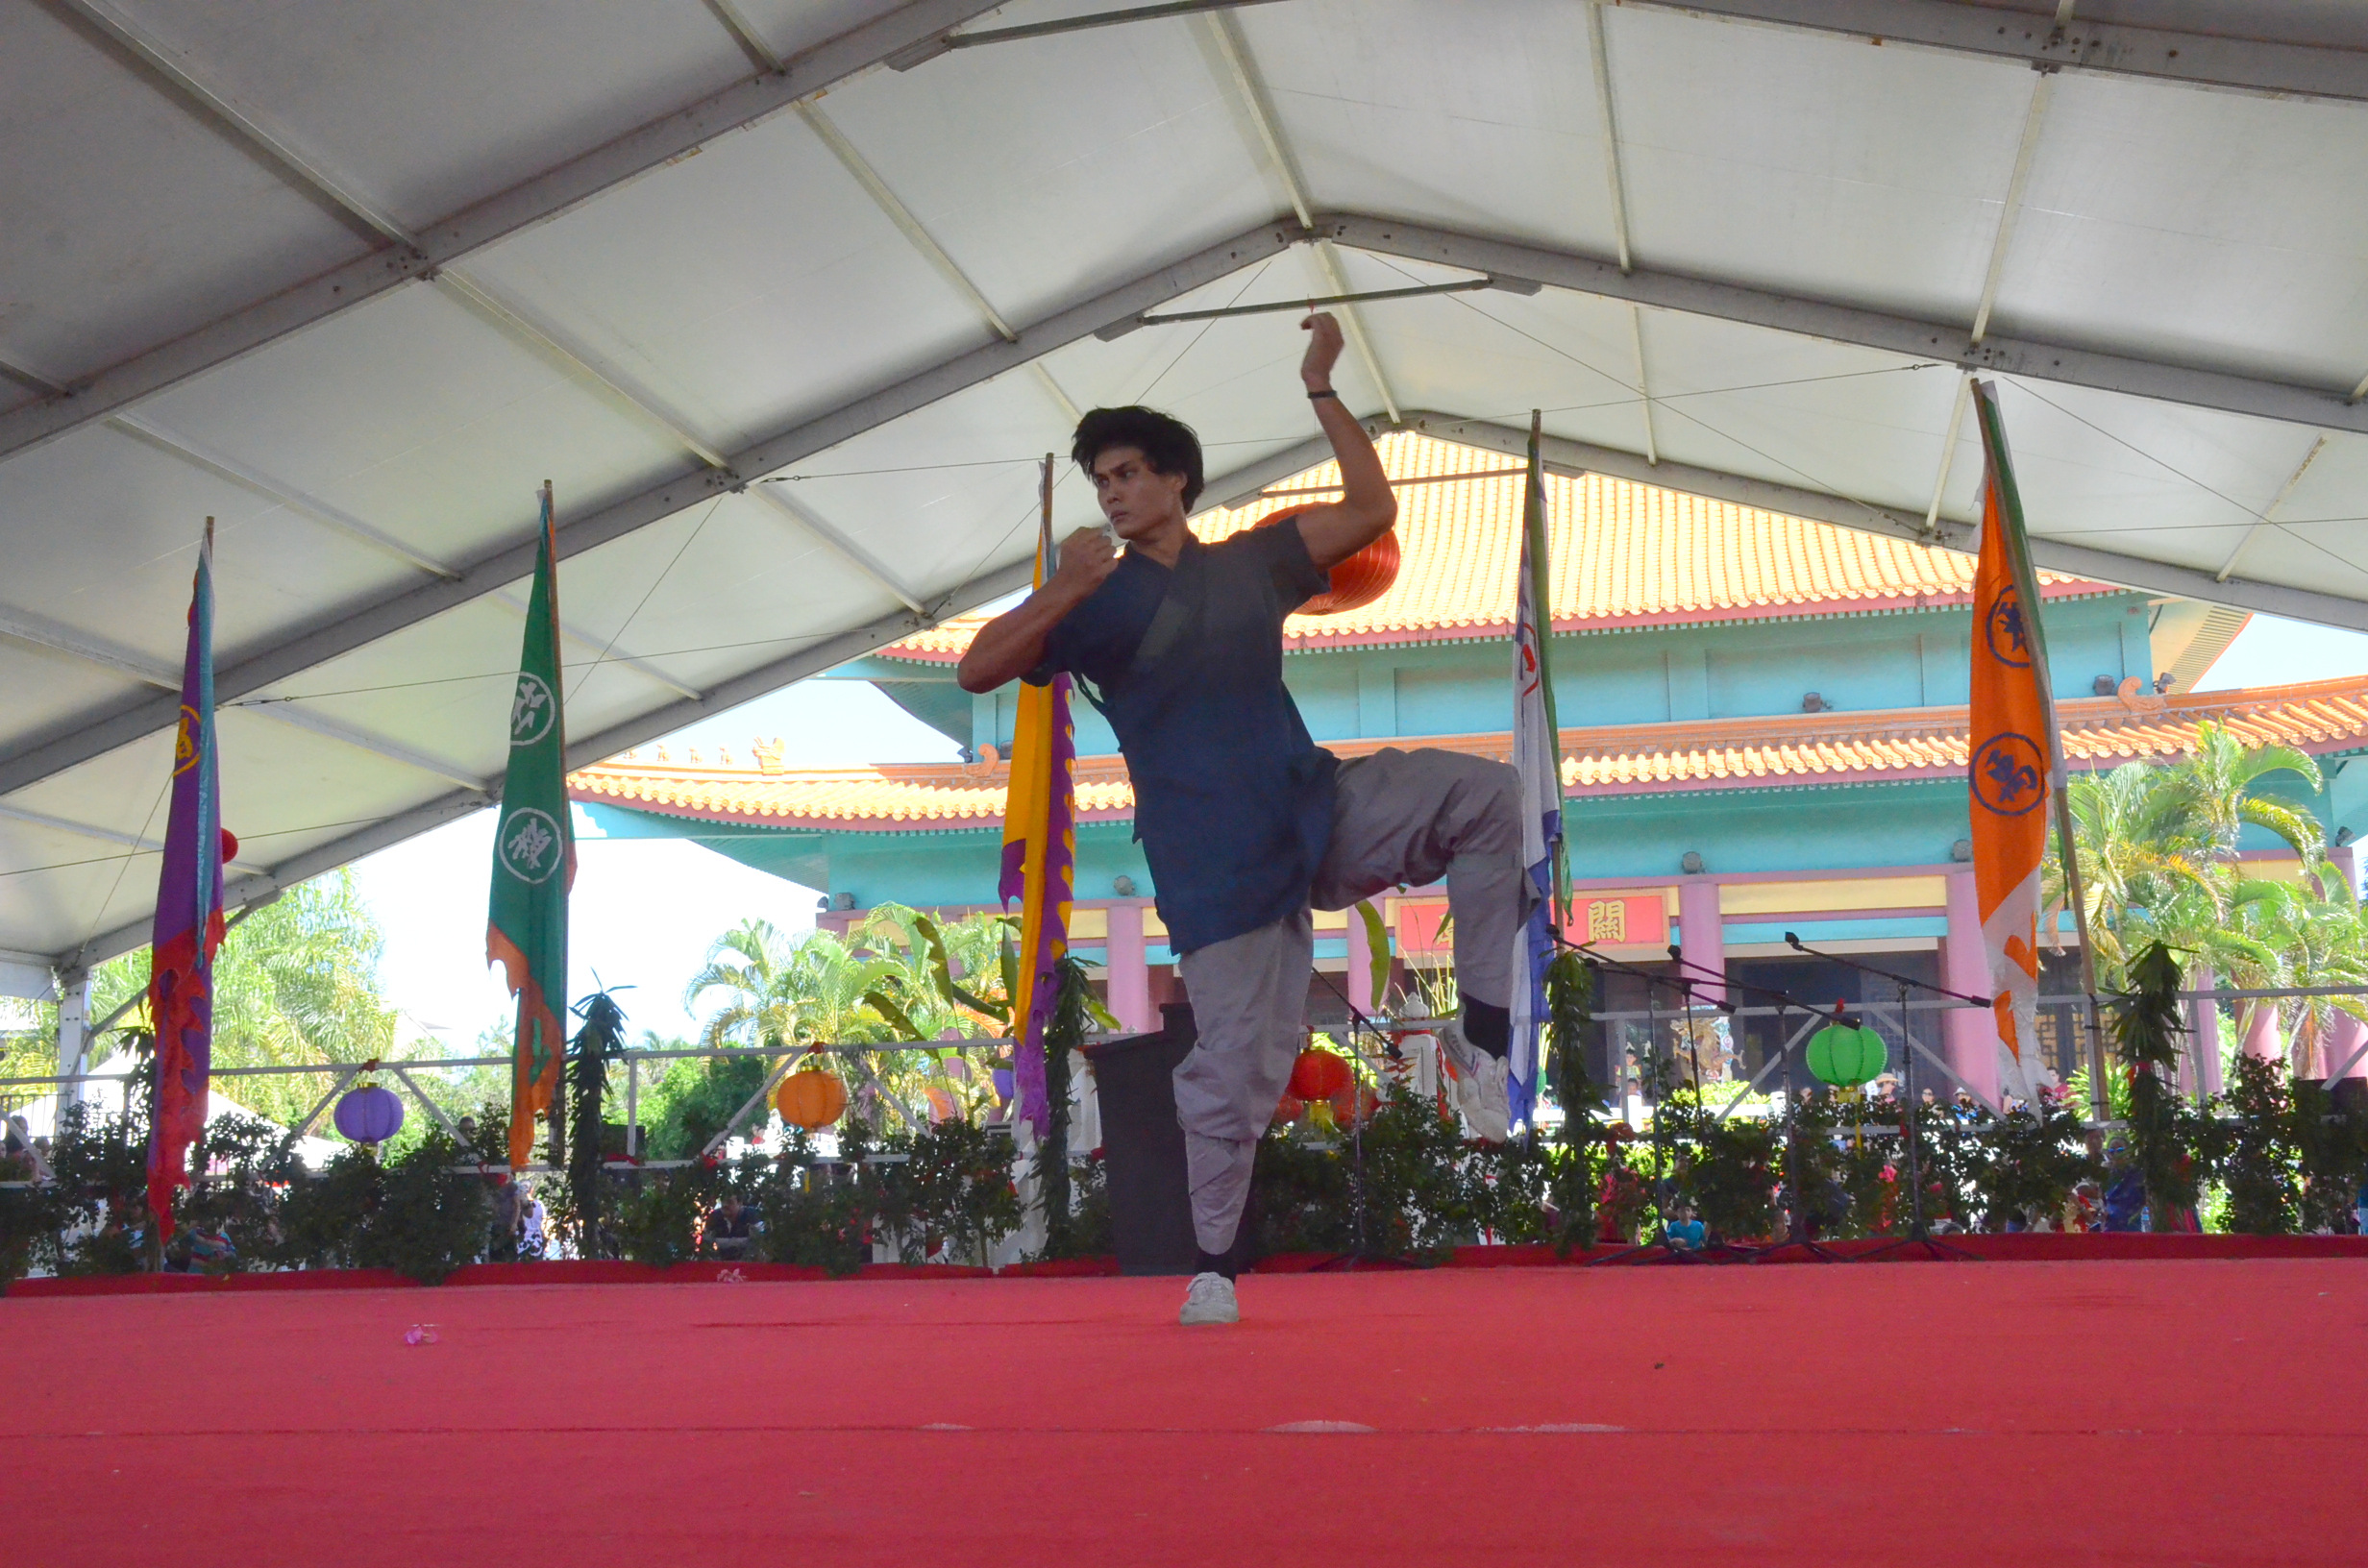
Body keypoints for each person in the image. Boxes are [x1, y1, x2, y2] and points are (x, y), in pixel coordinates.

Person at [958, 314, 1529, 1327]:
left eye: (1129, 472)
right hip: (1213, 864)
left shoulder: (1254, 564)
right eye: (1102, 480)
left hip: (1316, 805)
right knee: (1242, 1076)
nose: (1114, 490)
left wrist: (1318, 386)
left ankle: (1486, 1021)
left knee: (1487, 795)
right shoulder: (1093, 600)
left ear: (1177, 479)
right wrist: (1063, 585)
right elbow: (978, 667)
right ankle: (1213, 1263)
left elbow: (1368, 506)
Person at [707, 1192, 756, 1260]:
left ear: (740, 1203)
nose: (725, 1205)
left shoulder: (751, 1215)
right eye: (722, 1201)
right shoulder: (715, 1216)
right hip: (719, 1263)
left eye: (730, 1202)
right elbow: (706, 1241)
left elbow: (758, 1242)